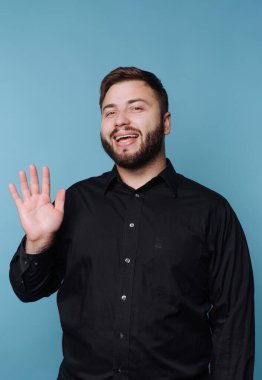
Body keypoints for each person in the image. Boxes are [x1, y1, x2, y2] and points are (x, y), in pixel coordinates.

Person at [9, 67, 255, 380]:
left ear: (166, 123)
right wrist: (38, 243)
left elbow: (233, 325)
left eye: (136, 108)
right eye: (110, 111)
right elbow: (27, 289)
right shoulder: (74, 202)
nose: (121, 120)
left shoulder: (212, 212)